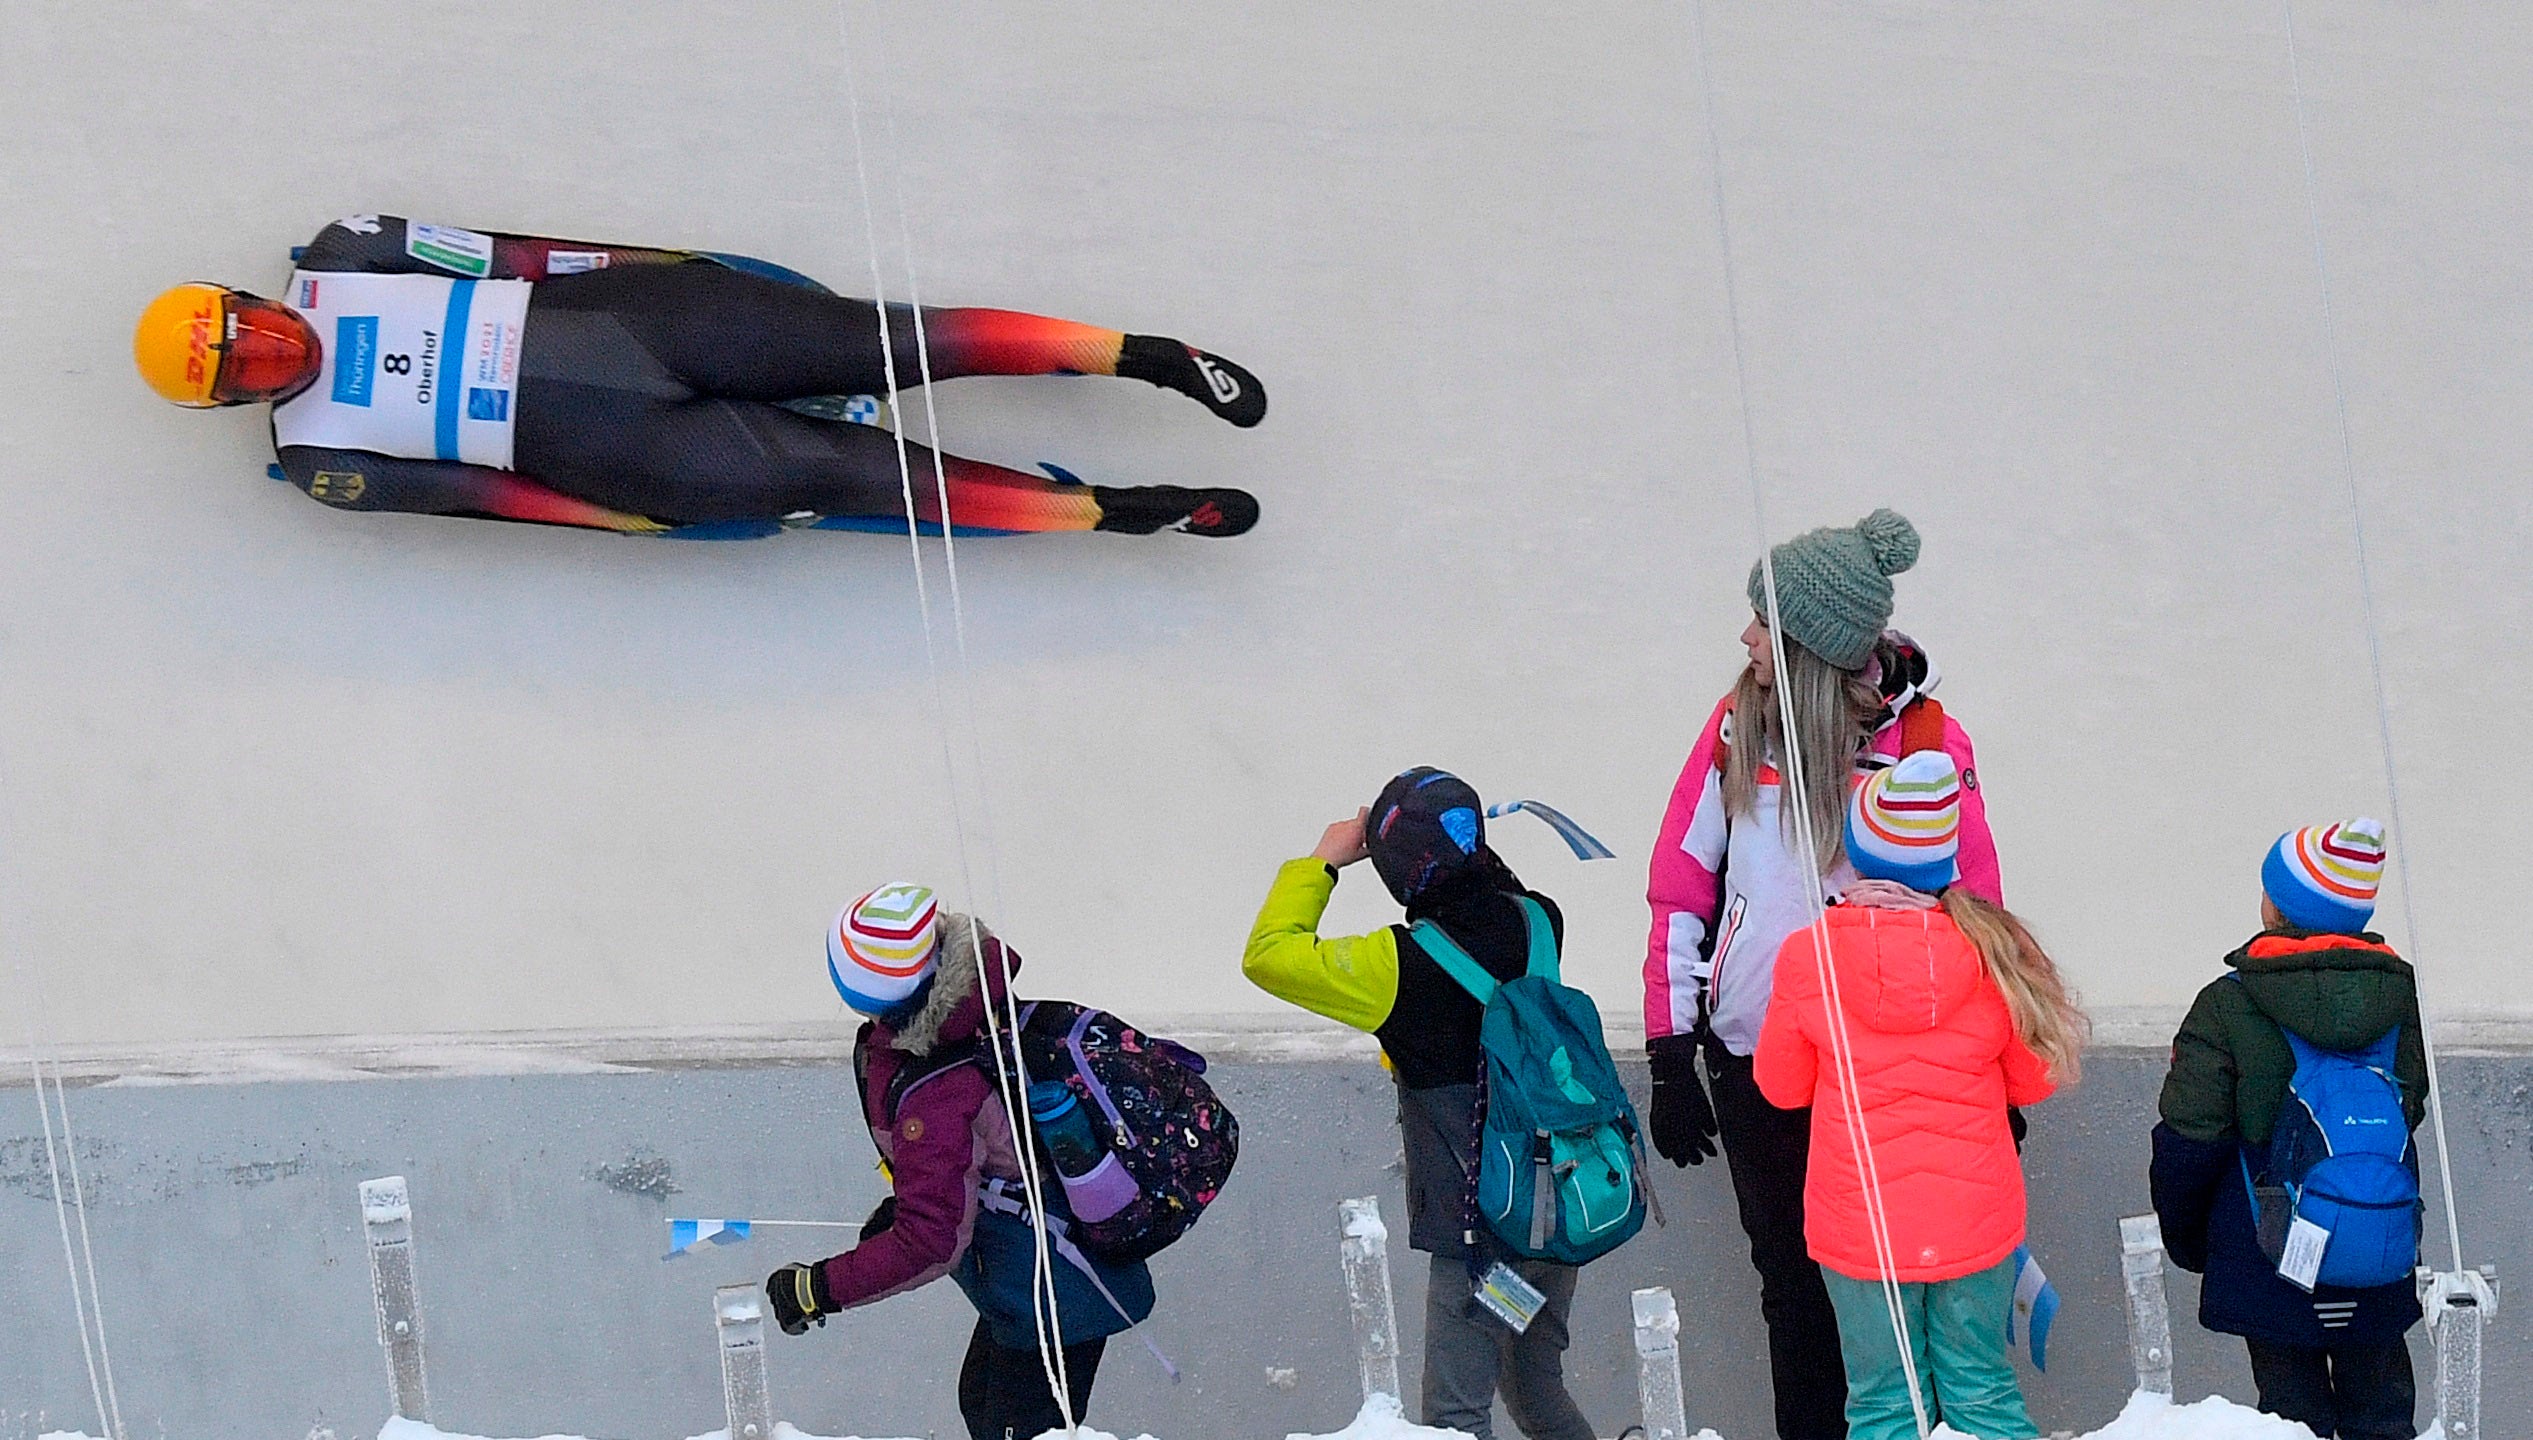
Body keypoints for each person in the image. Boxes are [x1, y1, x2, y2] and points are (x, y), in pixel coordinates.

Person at [131, 214, 1263, 537]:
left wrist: (653, 268)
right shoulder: (322, 459)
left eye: (261, 330)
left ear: (257, 300)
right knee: (873, 480)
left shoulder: (345, 256)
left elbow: (508, 255)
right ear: (236, 403)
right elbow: (495, 501)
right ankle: (1116, 513)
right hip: (632, 455)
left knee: (892, 337)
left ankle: (1146, 358)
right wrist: (629, 521)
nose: (282, 354)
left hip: (652, 323)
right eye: (255, 372)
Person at [1641, 508, 2002, 1440]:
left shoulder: (1922, 741)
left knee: (1898, 1284)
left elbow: (1977, 903)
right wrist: (1668, 1047)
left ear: (1807, 641)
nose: (1745, 636)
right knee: (1792, 1287)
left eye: (1763, 620)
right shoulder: (1733, 730)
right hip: (1758, 1058)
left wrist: (1998, 1065)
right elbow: (1679, 889)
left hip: (1889, 1071)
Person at [1243, 769, 1595, 1440]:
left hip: (1486, 1240)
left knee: (1454, 1416)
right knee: (1532, 1384)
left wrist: (1323, 861)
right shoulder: (1540, 918)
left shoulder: (1396, 967)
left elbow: (1268, 956)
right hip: (1555, 1221)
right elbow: (1485, 889)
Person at [1754, 752, 2083, 1440]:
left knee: (1882, 1403)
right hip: (1974, 1216)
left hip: (1860, 1222)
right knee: (1982, 1390)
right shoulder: (1993, 948)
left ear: (1857, 853)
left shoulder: (1808, 954)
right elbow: (2032, 1080)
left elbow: (1778, 1088)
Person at [763, 883, 1157, 1440]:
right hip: (1041, 1272)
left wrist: (818, 1289)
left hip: (1057, 1287)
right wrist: (904, 1203)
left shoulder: (938, 1090)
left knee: (1014, 1429)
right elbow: (978, 1162)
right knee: (981, 1404)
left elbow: (930, 1241)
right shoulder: (967, 1013)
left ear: (865, 995)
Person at [2150, 820, 2426, 1440]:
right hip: (2378, 1238)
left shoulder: (2229, 1002)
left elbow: (2190, 1138)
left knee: (2289, 1415)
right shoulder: (2402, 998)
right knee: (2382, 1408)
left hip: (2268, 1248)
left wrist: (2192, 1240)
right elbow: (2408, 1113)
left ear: (2279, 906)